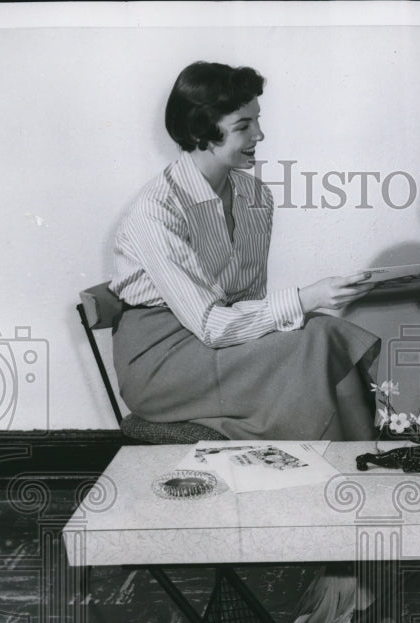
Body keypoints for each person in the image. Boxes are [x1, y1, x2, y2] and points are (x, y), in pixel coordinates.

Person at [110, 61, 380, 440]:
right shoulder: (156, 210)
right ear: (202, 132)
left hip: (218, 340)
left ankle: (362, 464)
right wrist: (308, 298)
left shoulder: (256, 196)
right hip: (161, 360)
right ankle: (344, 473)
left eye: (257, 120)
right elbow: (209, 325)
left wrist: (302, 312)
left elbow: (249, 300)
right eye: (243, 126)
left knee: (325, 334)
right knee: (315, 341)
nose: (260, 134)